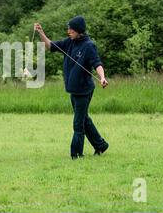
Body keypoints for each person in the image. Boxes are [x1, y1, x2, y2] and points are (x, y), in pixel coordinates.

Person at [34, 16, 109, 160]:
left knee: (78, 123)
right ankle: (100, 145)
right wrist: (41, 33)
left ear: (79, 31)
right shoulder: (69, 42)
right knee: (84, 119)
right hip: (73, 90)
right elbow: (50, 46)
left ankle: (76, 154)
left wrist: (102, 77)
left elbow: (97, 64)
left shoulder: (89, 46)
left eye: (71, 29)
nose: (68, 31)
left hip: (84, 90)